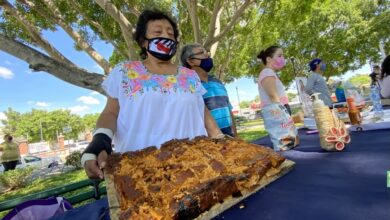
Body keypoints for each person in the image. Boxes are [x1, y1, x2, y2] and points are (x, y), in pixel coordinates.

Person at [82, 10, 223, 179]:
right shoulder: (124, 72)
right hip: (141, 175)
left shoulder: (190, 75)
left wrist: (220, 139)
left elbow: (203, 111)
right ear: (143, 41)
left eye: (171, 34)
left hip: (197, 168)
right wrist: (100, 140)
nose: (166, 37)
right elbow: (110, 113)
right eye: (158, 32)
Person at [180, 43, 237, 137]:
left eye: (206, 52)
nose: (207, 55)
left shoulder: (217, 82)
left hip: (230, 140)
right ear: (190, 61)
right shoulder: (187, 86)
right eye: (201, 52)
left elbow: (229, 110)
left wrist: (235, 136)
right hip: (207, 144)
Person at [257, 45, 299, 151]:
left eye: (283, 55)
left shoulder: (269, 73)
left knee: (291, 142)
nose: (282, 58)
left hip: (278, 109)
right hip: (277, 110)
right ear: (269, 59)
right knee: (285, 145)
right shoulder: (267, 72)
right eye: (279, 55)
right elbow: (273, 96)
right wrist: (285, 116)